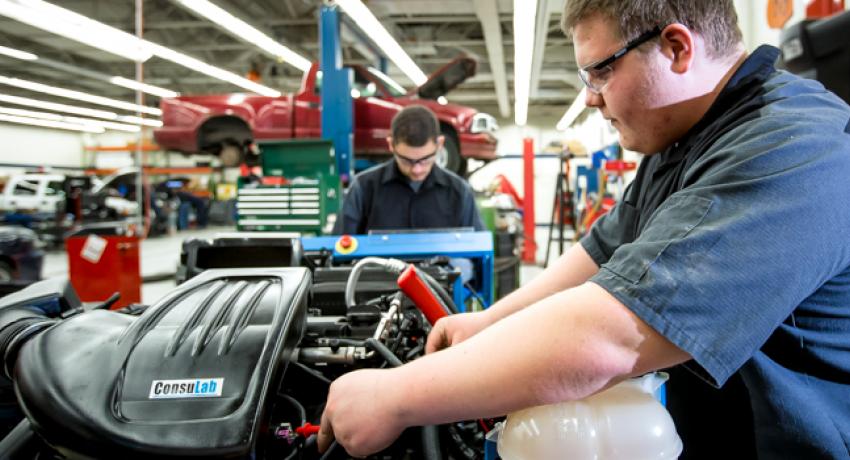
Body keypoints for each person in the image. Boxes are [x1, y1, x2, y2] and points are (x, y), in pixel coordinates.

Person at [318, 1, 850, 458]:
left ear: (676, 48)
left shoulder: (791, 152)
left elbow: (612, 335)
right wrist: (487, 324)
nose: (591, 97)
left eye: (599, 72)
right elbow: (601, 253)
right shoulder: (688, 140)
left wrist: (396, 397)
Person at [332, 105, 485, 234]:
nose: (417, 169)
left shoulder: (459, 192)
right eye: (406, 160)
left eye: (425, 159)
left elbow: (479, 253)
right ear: (391, 145)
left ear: (439, 144)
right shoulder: (364, 188)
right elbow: (339, 251)